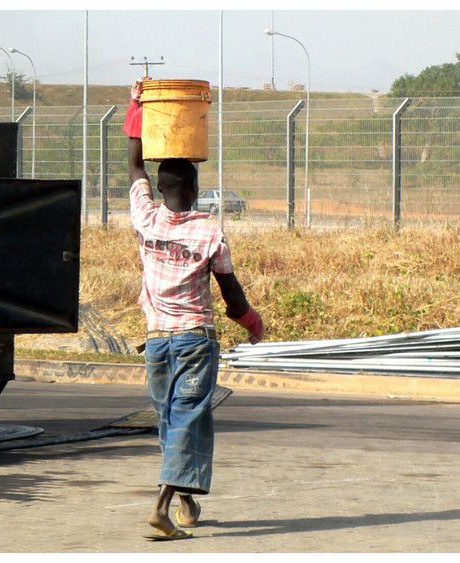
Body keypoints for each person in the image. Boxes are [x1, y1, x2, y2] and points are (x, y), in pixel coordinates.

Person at [124, 78, 265, 541]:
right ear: (196, 186)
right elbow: (231, 292)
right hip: (194, 341)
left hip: (157, 341)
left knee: (170, 417)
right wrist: (250, 321)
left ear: (160, 188)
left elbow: (133, 163)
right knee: (188, 416)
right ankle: (162, 506)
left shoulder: (145, 218)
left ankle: (186, 503)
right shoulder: (209, 230)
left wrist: (136, 105)